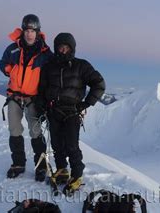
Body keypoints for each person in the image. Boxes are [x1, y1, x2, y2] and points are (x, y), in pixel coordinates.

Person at [36, 33, 106, 194]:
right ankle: (62, 169)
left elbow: (99, 84)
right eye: (60, 47)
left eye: (66, 47)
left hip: (72, 111)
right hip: (53, 110)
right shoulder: (49, 66)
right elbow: (42, 88)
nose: (63, 50)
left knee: (71, 145)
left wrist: (86, 103)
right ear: (56, 48)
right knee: (56, 144)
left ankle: (77, 175)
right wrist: (42, 104)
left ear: (72, 48)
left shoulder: (81, 66)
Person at [0, 14, 53, 181]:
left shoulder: (45, 53)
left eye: (33, 30)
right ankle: (18, 164)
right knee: (14, 130)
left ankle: (41, 166)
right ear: (23, 31)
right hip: (14, 96)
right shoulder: (13, 48)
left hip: (33, 99)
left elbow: (51, 74)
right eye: (27, 30)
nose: (30, 34)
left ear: (38, 32)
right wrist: (10, 70)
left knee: (35, 132)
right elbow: (2, 63)